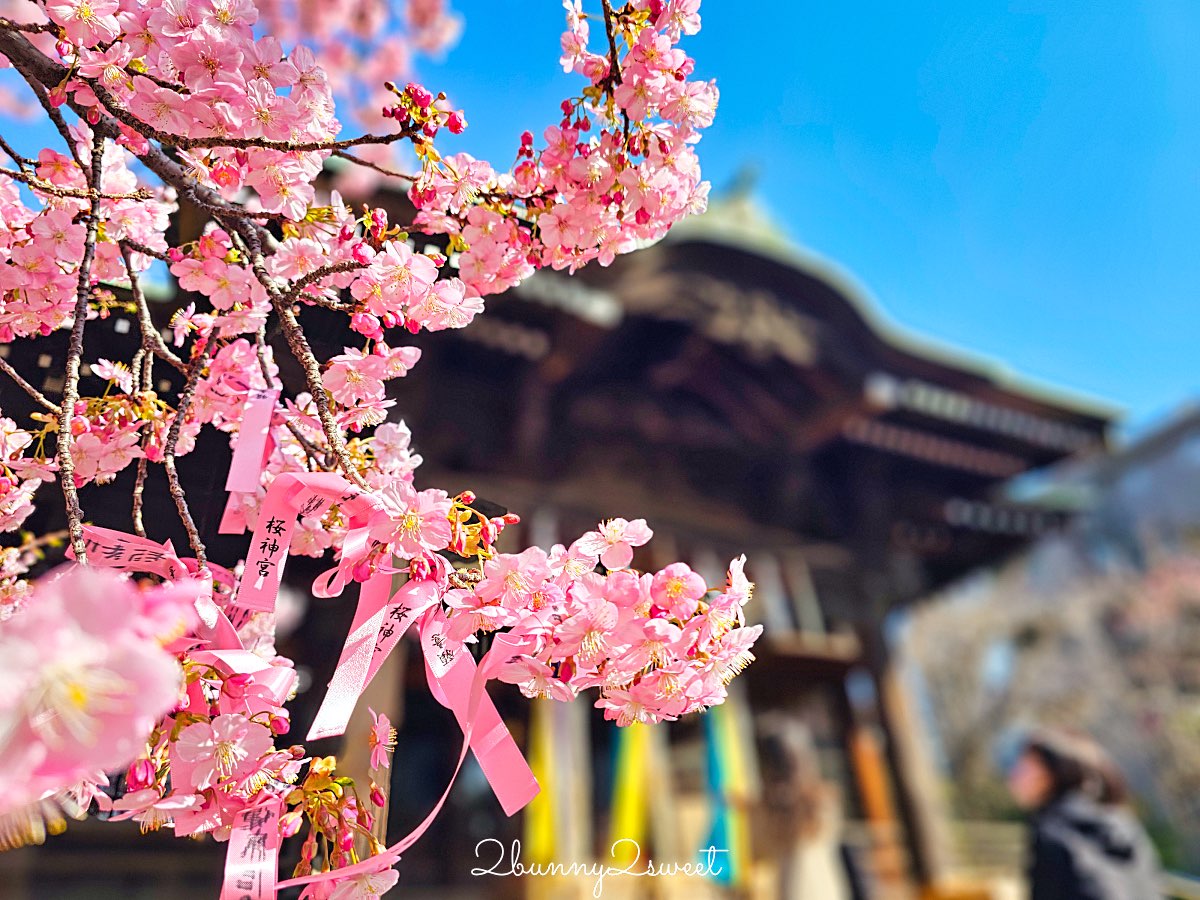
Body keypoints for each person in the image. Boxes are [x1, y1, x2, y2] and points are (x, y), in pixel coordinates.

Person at [1006, 728, 1161, 899]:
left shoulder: (1053, 835)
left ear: (1050, 775)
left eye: (1023, 767)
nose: (1013, 777)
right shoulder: (1127, 824)